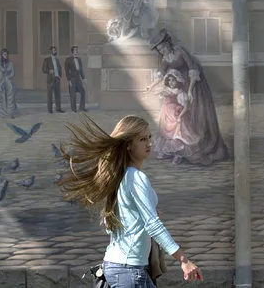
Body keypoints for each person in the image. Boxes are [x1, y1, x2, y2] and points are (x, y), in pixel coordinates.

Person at [56, 114, 203, 287]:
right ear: (128, 145)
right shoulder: (135, 178)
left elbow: (112, 224)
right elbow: (153, 225)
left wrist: (140, 216)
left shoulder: (120, 176)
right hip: (128, 270)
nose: (149, 143)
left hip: (119, 267)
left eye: (149, 137)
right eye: (142, 139)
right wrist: (183, 260)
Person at [147, 29, 229, 165]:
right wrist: (151, 86)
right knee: (177, 116)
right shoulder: (166, 58)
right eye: (159, 49)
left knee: (195, 112)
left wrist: (190, 90)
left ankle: (199, 145)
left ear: (167, 43)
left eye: (162, 47)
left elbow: (192, 68)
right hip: (178, 85)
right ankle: (179, 149)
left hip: (193, 84)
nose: (161, 50)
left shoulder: (180, 51)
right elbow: (161, 74)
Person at [148, 70, 198, 164]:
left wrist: (180, 116)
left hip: (176, 116)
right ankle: (166, 152)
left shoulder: (181, 93)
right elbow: (154, 92)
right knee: (165, 134)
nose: (171, 82)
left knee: (176, 135)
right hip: (166, 116)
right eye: (169, 80)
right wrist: (152, 86)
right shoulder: (166, 90)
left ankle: (178, 154)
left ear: (178, 81)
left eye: (173, 80)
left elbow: (186, 107)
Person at [64, 45, 87, 112]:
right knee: (73, 94)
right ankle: (74, 109)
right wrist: (69, 80)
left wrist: (83, 78)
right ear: (72, 51)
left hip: (78, 78)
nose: (76, 51)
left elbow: (81, 70)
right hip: (72, 78)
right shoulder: (68, 60)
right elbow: (66, 71)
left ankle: (82, 107)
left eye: (77, 50)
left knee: (83, 92)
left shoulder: (79, 59)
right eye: (75, 50)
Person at [0, 47, 18, 118]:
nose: (5, 56)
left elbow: (13, 73)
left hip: (8, 81)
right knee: (3, 97)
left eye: (6, 54)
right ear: (1, 55)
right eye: (4, 54)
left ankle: (11, 112)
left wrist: (8, 77)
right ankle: (4, 112)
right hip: (2, 82)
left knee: (10, 97)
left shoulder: (10, 63)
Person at [42, 45, 64, 113]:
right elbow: (43, 70)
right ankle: (50, 109)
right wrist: (49, 71)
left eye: (55, 50)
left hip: (57, 79)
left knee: (58, 94)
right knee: (49, 95)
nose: (55, 51)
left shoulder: (57, 60)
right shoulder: (47, 59)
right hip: (51, 79)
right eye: (54, 50)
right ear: (51, 51)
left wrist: (60, 76)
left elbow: (59, 68)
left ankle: (58, 108)